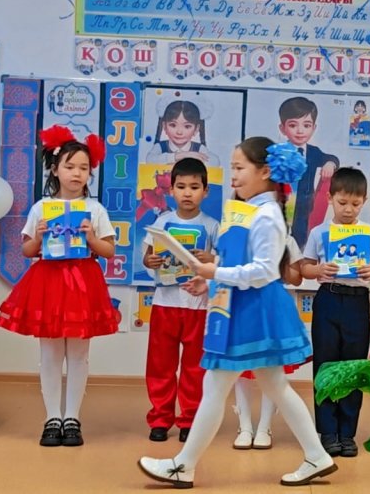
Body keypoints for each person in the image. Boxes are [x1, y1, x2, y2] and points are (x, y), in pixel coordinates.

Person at [138, 137, 337, 489]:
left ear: (265, 171)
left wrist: (215, 273)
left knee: (218, 385)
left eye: (239, 167)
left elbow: (264, 271)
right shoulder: (247, 210)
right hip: (243, 307)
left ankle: (183, 466)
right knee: (272, 386)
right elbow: (236, 261)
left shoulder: (267, 215)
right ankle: (316, 456)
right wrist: (210, 280)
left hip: (254, 312)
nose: (232, 175)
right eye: (232, 167)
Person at [0, 126, 118, 447]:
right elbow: (27, 250)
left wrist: (91, 238)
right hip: (48, 282)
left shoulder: (96, 209)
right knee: (50, 353)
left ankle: (72, 418)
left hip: (82, 283)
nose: (77, 173)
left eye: (84, 168)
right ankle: (52, 418)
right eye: (70, 166)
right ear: (55, 169)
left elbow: (109, 250)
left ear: (90, 174)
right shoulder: (41, 207)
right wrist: (38, 235)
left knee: (78, 354)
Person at [301, 167, 370, 458]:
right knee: (325, 364)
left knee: (353, 367)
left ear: (364, 201)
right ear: (329, 198)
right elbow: (305, 267)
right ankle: (327, 431)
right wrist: (318, 270)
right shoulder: (319, 232)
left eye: (355, 203)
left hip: (357, 302)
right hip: (328, 298)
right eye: (342, 202)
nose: (348, 209)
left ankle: (347, 433)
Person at [142, 158, 220, 443]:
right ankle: (160, 418)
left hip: (198, 307)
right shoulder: (162, 222)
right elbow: (147, 256)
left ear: (206, 191)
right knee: (160, 364)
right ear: (171, 190)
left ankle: (190, 420)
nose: (188, 193)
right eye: (181, 186)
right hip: (165, 303)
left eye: (195, 187)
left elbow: (223, 263)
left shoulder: (212, 225)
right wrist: (150, 260)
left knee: (194, 367)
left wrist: (211, 259)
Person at [231, 235, 305, 451]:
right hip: (243, 306)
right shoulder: (239, 235)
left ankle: (265, 427)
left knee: (272, 368)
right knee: (241, 368)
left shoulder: (286, 239)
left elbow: (296, 278)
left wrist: (279, 263)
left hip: (273, 308)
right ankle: (244, 426)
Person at [277, 96, 338, 248]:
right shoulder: (278, 153)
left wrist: (330, 164)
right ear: (282, 128)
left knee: (302, 244)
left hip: (305, 209)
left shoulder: (314, 152)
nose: (300, 131)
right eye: (293, 125)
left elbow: (331, 158)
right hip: (283, 208)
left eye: (306, 125)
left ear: (313, 128)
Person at [146, 95, 221, 166]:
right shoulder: (161, 146)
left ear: (196, 129)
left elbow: (215, 162)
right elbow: (150, 160)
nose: (179, 132)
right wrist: (178, 156)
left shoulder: (198, 148)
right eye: (173, 125)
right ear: (164, 126)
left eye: (187, 126)